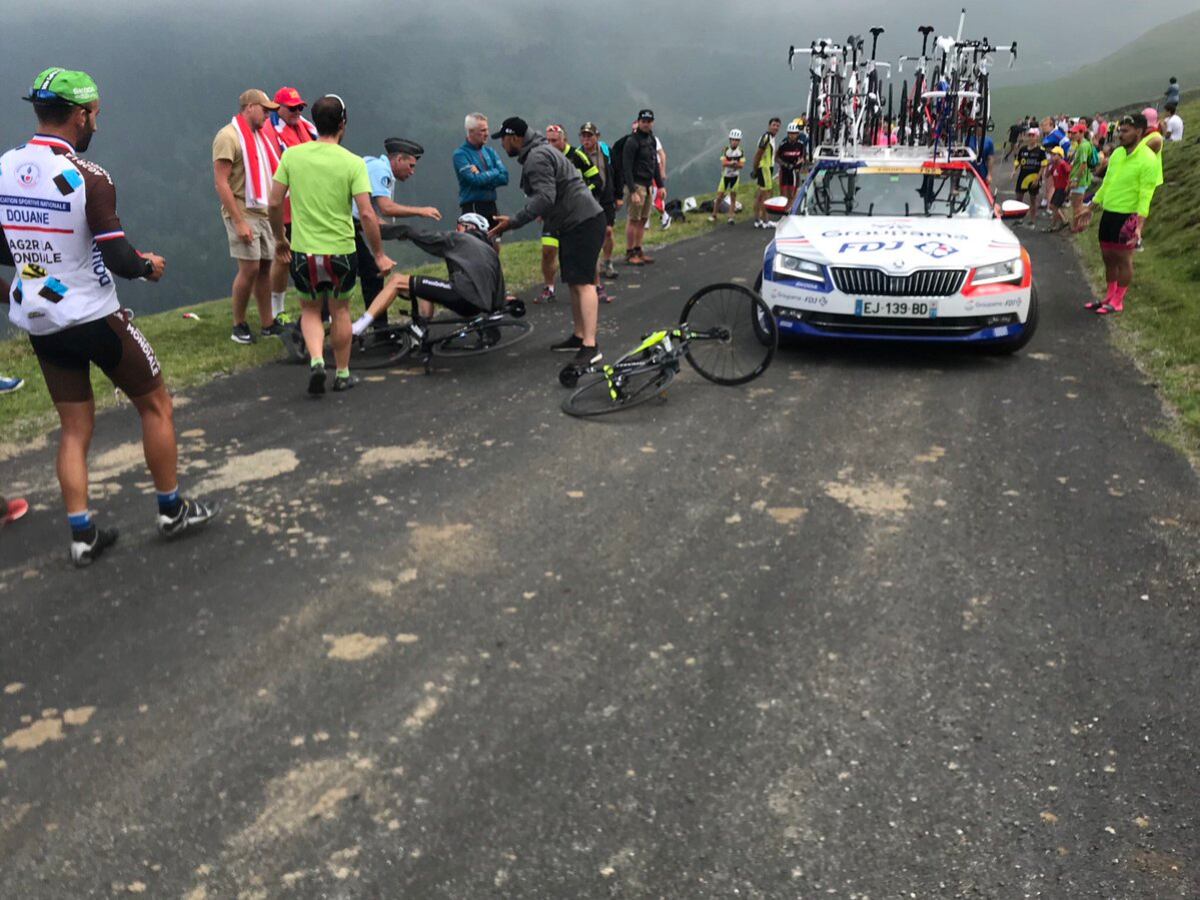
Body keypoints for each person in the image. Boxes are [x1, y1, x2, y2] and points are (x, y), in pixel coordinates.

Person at [1, 68, 217, 566]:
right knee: (156, 404)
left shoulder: (6, 167)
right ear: (80, 115)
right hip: (94, 316)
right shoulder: (89, 177)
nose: (96, 123)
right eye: (95, 114)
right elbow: (118, 256)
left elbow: (5, 246)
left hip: (41, 322)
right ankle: (171, 510)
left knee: (73, 429)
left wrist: (23, 285)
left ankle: (82, 534)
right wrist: (148, 267)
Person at [267, 95, 395, 395]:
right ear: (343, 124)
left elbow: (274, 201)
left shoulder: (292, 157)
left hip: (304, 250)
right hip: (341, 250)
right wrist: (378, 254)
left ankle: (315, 361)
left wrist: (279, 238)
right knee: (340, 310)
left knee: (310, 309)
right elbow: (366, 213)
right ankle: (342, 373)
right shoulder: (352, 162)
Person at [488, 117, 607, 369]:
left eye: (505, 139)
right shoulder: (541, 151)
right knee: (574, 281)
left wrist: (513, 222)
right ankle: (579, 336)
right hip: (577, 221)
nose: (503, 145)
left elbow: (544, 197)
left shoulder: (536, 158)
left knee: (584, 284)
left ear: (515, 138)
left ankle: (590, 346)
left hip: (582, 221)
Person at [213, 89, 286, 344]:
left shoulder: (260, 137)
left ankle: (268, 323)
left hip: (262, 209)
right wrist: (239, 221)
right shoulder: (228, 136)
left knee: (265, 265)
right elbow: (221, 182)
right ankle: (238, 324)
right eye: (264, 110)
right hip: (242, 208)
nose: (268, 115)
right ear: (249, 107)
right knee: (250, 267)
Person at [352, 213, 505, 335]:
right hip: (479, 307)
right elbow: (499, 285)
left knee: (397, 281)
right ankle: (420, 331)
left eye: (458, 226)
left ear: (468, 227)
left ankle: (358, 327)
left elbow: (413, 233)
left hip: (462, 296)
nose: (456, 229)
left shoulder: (458, 239)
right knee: (422, 285)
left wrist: (367, 227)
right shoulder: (490, 253)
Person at [1076, 113, 1158, 315]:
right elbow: (1107, 184)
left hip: (1127, 215)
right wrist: (1091, 205)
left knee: (1123, 259)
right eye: (1120, 130)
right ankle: (1108, 296)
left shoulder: (1148, 159)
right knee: (1107, 256)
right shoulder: (1118, 154)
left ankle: (1118, 300)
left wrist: (1139, 225)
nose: (1120, 135)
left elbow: (1145, 195)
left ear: (1138, 132)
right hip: (1109, 212)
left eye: (1125, 131)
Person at [353, 138, 440, 322]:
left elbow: (374, 217)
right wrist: (420, 211)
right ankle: (380, 329)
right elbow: (386, 208)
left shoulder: (376, 167)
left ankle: (379, 327)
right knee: (370, 272)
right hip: (344, 225)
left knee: (368, 273)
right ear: (399, 159)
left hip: (349, 223)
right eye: (411, 165)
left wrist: (399, 231)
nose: (412, 171)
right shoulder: (380, 170)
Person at [264, 86, 317, 326]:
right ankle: (278, 310)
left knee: (311, 255)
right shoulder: (269, 130)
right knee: (283, 258)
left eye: (300, 107)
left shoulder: (305, 127)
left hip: (306, 204)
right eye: (292, 108)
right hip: (283, 206)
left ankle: (316, 305)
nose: (297, 111)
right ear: (279, 107)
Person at [538, 125, 603, 304]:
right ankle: (549, 288)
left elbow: (597, 181)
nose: (550, 144)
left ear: (564, 140)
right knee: (548, 251)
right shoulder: (543, 157)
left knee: (585, 252)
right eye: (548, 140)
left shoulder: (577, 156)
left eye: (554, 141)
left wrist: (580, 195)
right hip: (553, 213)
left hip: (577, 214)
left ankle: (596, 286)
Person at [619, 111, 663, 266]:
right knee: (633, 219)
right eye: (644, 121)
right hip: (636, 185)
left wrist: (661, 185)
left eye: (649, 121)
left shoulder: (651, 139)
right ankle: (629, 252)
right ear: (638, 122)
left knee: (643, 219)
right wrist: (632, 191)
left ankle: (638, 249)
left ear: (653, 122)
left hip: (648, 184)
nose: (647, 123)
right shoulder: (632, 141)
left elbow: (655, 164)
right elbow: (626, 167)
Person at [579, 123, 620, 287]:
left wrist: (618, 195)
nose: (586, 139)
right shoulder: (578, 155)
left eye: (590, 136)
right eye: (583, 136)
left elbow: (617, 172)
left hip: (606, 197)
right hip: (587, 198)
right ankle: (592, 265)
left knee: (608, 231)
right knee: (590, 234)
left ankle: (607, 261)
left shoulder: (606, 152)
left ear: (597, 137)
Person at [454, 113, 509, 226]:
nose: (487, 134)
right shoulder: (460, 155)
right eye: (482, 131)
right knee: (476, 243)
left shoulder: (490, 151)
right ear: (470, 131)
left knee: (495, 241)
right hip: (473, 206)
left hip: (491, 205)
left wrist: (482, 175)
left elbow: (504, 177)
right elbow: (475, 181)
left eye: (487, 130)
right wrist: (495, 171)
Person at [1013, 127, 1048, 227]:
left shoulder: (1041, 150)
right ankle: (1019, 218)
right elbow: (1018, 161)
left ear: (1037, 137)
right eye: (1029, 135)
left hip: (1034, 177)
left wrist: (1038, 178)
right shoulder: (1023, 149)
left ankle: (1032, 220)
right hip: (1022, 177)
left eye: (1033, 135)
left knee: (1033, 199)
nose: (1031, 137)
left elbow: (1043, 165)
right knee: (1018, 197)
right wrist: (1014, 170)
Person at [709, 129, 744, 225]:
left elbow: (741, 165)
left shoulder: (740, 151)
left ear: (739, 141)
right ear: (730, 140)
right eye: (733, 139)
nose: (735, 142)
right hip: (725, 177)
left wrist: (731, 164)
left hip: (735, 177)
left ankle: (731, 217)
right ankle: (714, 215)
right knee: (719, 197)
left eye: (737, 140)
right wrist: (733, 163)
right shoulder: (725, 150)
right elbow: (724, 163)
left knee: (733, 198)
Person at [1068, 122, 1099, 228]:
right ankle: (1077, 224)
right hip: (1081, 178)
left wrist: (1076, 179)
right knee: (1076, 203)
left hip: (1080, 180)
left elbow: (1083, 164)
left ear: (1081, 133)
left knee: (1076, 204)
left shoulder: (1083, 146)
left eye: (1074, 133)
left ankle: (1076, 227)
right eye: (1071, 132)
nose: (1072, 135)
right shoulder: (1083, 144)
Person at [751, 118, 781, 228]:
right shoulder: (767, 137)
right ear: (769, 126)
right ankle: (765, 221)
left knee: (759, 195)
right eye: (774, 125)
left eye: (778, 126)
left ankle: (757, 220)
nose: (776, 127)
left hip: (766, 168)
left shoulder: (771, 138)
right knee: (766, 195)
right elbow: (758, 153)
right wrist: (755, 169)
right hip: (764, 168)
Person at [776, 122, 807, 205]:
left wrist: (800, 163)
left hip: (795, 171)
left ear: (797, 134)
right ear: (788, 133)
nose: (792, 135)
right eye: (790, 133)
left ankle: (790, 208)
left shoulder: (800, 144)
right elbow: (776, 158)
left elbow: (803, 156)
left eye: (794, 133)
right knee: (783, 193)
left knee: (793, 192)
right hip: (785, 170)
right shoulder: (783, 144)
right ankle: (783, 209)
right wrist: (785, 164)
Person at [1044, 146, 1071, 233]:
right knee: (1053, 206)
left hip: (1062, 188)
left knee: (1054, 206)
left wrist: (1068, 185)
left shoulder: (1063, 164)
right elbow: (1047, 175)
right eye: (1052, 154)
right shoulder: (1054, 165)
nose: (1052, 156)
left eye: (1054, 154)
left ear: (1060, 155)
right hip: (1057, 188)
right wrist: (1048, 165)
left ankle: (1058, 223)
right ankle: (1062, 221)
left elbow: (1070, 173)